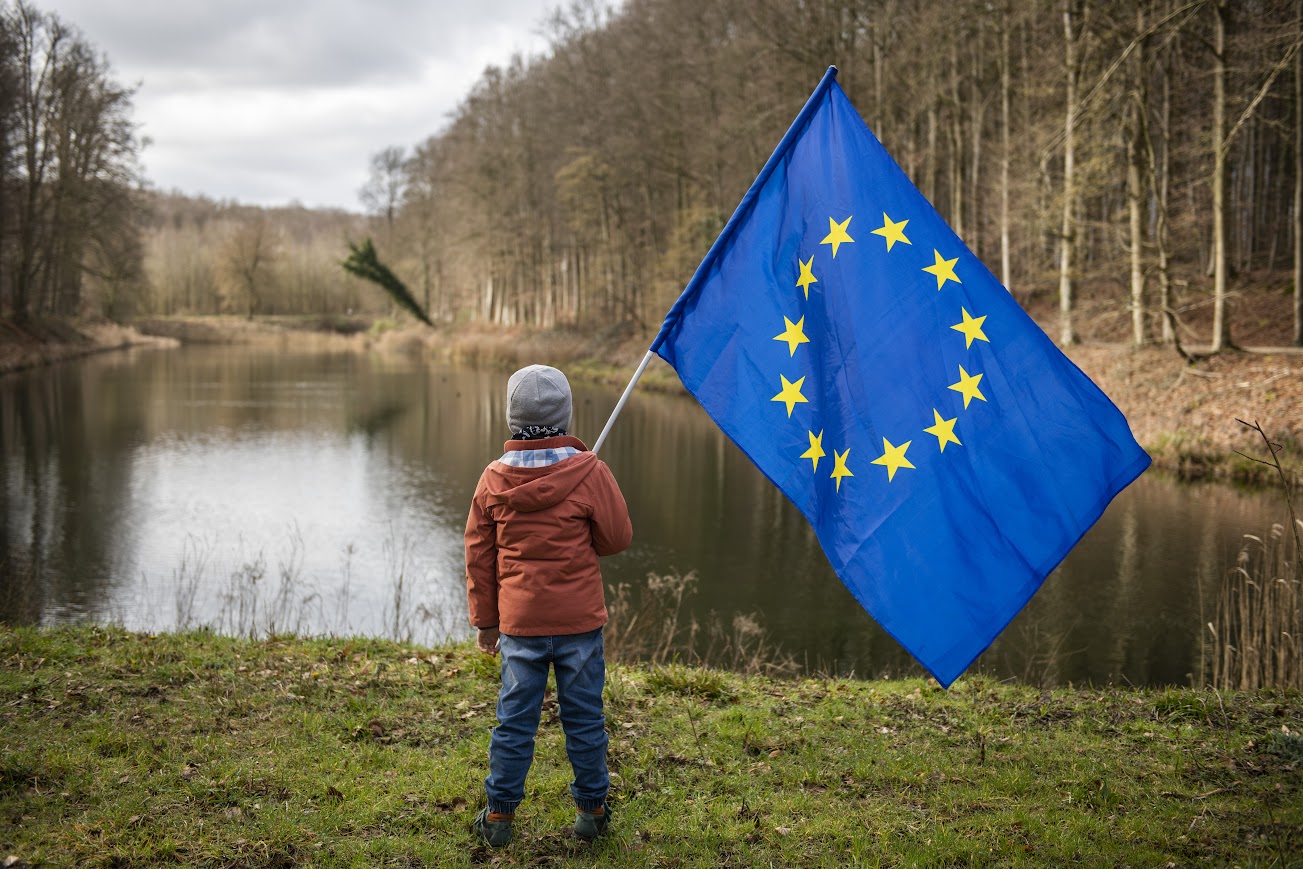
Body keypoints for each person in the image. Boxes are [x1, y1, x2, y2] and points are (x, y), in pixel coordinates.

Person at [465, 364, 633, 847]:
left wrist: (486, 623)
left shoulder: (493, 480)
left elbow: (479, 555)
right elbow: (616, 538)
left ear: (511, 418)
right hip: (579, 623)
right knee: (584, 717)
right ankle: (592, 813)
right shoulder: (590, 472)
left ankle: (499, 819)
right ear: (565, 415)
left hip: (520, 625)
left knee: (515, 720)